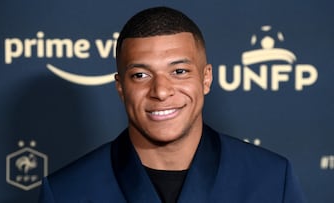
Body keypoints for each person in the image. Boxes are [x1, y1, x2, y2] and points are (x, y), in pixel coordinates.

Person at [39, 6, 306, 203]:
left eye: (179, 71)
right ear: (121, 87)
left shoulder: (271, 179)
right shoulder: (66, 192)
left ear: (206, 78)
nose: (161, 91)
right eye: (140, 75)